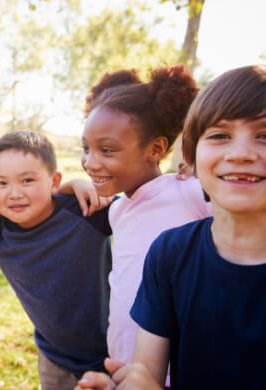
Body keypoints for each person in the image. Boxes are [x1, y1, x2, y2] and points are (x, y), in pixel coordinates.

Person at [76, 64, 266, 390]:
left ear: (158, 150)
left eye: (263, 135)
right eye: (220, 136)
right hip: (136, 363)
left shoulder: (184, 190)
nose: (240, 154)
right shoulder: (131, 220)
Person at [79, 65, 212, 384]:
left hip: (175, 369)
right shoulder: (118, 209)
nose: (90, 162)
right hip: (124, 362)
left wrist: (203, 170)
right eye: (86, 148)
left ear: (155, 149)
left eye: (106, 150)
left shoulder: (187, 192)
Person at [0, 130, 113, 390]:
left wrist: (79, 184)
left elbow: (141, 206)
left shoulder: (85, 211)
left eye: (27, 180)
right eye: (1, 183)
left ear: (54, 181)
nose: (14, 193)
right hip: (54, 357)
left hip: (114, 351)